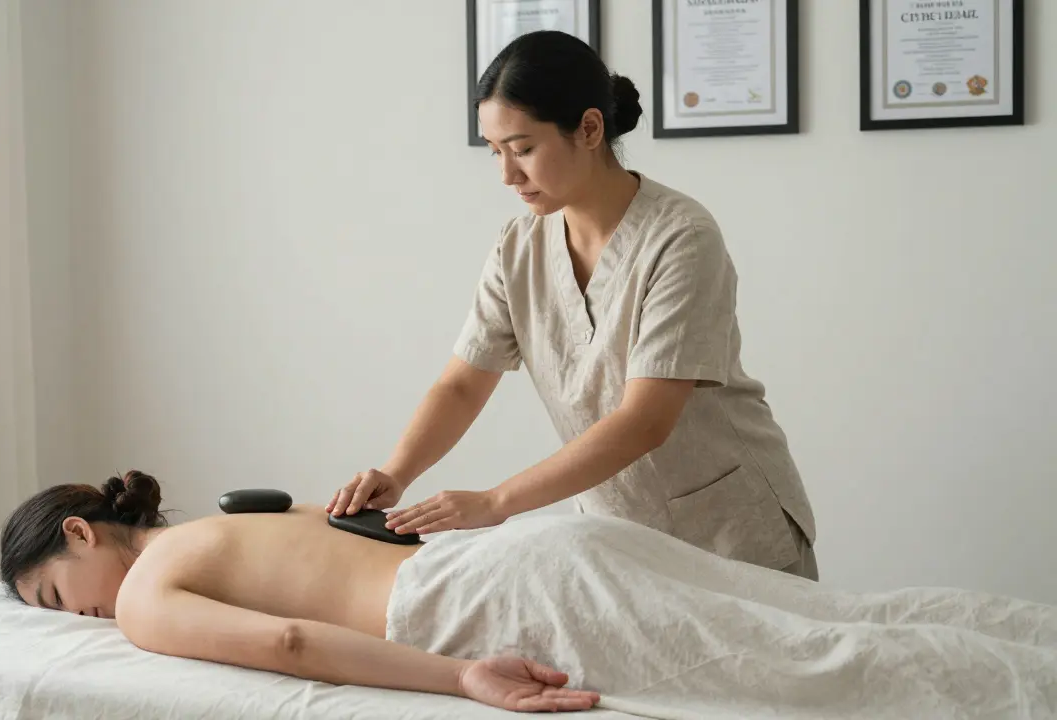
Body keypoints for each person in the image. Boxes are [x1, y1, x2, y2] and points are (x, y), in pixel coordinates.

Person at [327, 30, 818, 579]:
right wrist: (397, 472)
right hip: (617, 534)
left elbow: (645, 420)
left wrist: (494, 504)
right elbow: (463, 383)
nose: (507, 175)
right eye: (496, 152)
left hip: (732, 531)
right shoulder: (519, 248)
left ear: (589, 128)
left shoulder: (682, 237)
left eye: (523, 149)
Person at [0, 473, 1057, 718]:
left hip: (497, 600)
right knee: (835, 621)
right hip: (544, 549)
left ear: (84, 534)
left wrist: (459, 674)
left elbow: (284, 641)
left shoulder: (147, 592)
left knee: (819, 669)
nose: (79, 617)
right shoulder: (218, 523)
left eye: (55, 595)